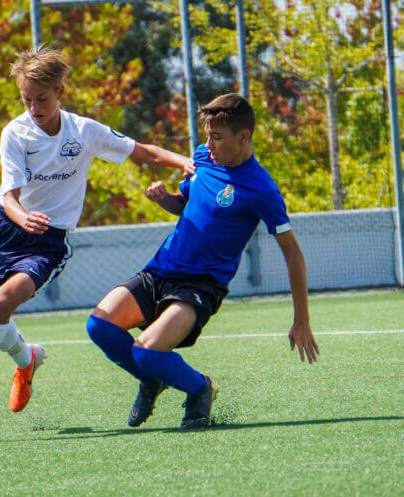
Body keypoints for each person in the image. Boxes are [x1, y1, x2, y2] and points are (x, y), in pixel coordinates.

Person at [0, 46, 193, 413]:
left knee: (0, 304)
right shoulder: (15, 133)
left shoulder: (84, 131)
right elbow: (8, 196)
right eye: (26, 98)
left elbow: (143, 152)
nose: (33, 107)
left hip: (47, 242)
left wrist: (183, 161)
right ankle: (26, 358)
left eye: (41, 98)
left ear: (59, 91)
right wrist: (22, 217)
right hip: (7, 232)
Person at [86, 93, 319, 430]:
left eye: (217, 137)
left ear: (244, 137)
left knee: (146, 353)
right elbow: (188, 204)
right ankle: (152, 379)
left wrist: (301, 320)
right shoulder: (203, 159)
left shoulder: (262, 189)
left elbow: (293, 254)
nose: (208, 145)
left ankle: (199, 389)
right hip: (160, 270)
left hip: (199, 286)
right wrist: (165, 199)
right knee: (99, 327)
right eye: (207, 136)